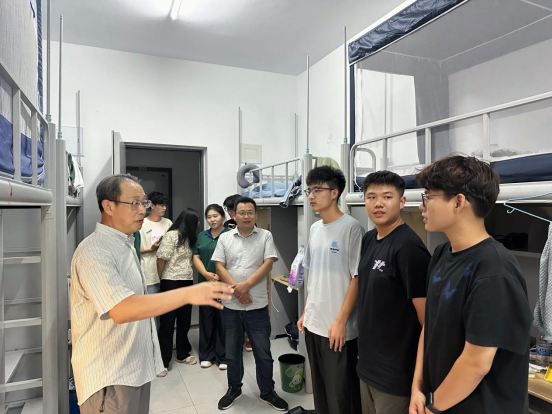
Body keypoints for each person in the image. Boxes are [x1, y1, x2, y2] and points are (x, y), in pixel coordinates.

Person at [70, 174, 233, 414]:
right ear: (108, 206)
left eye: (144, 203)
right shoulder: (95, 251)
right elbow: (122, 309)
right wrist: (189, 293)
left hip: (133, 370)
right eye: (134, 203)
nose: (142, 210)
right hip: (110, 377)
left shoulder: (125, 244)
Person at [409, 156, 532, 414]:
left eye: (428, 197)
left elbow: (476, 363)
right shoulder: (441, 254)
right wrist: (417, 388)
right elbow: (429, 325)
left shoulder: (494, 269)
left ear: (458, 202)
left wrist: (433, 408)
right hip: (439, 401)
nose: (422, 206)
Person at [357, 171, 430, 414]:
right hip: (368, 365)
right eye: (371, 197)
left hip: (396, 374)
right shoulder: (369, 239)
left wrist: (419, 383)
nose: (378, 203)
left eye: (387, 197)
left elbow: (428, 321)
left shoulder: (409, 248)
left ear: (401, 202)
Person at [297, 165, 364, 414]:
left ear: (335, 193)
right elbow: (313, 275)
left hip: (337, 329)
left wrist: (341, 321)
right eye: (309, 190)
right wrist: (306, 311)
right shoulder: (314, 228)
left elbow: (357, 277)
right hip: (313, 323)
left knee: (341, 396)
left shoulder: (352, 228)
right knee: (321, 390)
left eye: (317, 190)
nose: (311, 196)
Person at [212, 196, 288, 411]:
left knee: (263, 352)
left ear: (255, 214)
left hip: (257, 305)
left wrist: (245, 286)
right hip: (231, 306)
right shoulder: (225, 238)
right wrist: (237, 289)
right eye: (241, 212)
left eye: (250, 212)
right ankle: (234, 388)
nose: (246, 216)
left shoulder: (265, 236)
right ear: (234, 215)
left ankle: (267, 391)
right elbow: (219, 266)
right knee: (232, 352)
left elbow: (268, 264)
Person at [156, 208, 200, 377]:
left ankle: (182, 353)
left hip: (187, 281)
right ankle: (163, 360)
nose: (197, 225)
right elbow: (161, 259)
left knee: (184, 320)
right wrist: (162, 280)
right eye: (195, 222)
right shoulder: (171, 236)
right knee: (167, 323)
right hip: (170, 281)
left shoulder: (191, 237)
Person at [193, 204, 228, 369]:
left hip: (224, 283)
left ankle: (223, 357)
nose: (212, 219)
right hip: (205, 284)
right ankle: (206, 355)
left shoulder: (229, 235)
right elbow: (196, 257)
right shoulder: (201, 236)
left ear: (223, 217)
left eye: (215, 216)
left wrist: (222, 275)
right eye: (209, 217)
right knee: (206, 319)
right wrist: (206, 274)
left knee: (223, 320)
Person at [139, 191, 172, 295]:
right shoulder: (142, 224)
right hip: (149, 273)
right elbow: (133, 250)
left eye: (165, 205)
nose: (164, 208)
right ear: (152, 206)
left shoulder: (168, 223)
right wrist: (150, 249)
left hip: (167, 273)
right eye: (161, 205)